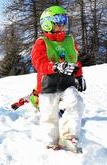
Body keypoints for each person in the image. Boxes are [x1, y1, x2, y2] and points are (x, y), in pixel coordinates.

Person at [31, 5, 86, 153]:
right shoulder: (42, 42)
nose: (62, 24)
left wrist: (79, 76)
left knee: (77, 102)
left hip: (67, 83)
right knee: (49, 115)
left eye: (64, 20)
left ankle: (69, 136)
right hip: (48, 85)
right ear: (47, 23)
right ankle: (51, 142)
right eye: (58, 20)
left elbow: (75, 60)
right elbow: (38, 63)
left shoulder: (69, 41)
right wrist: (55, 67)